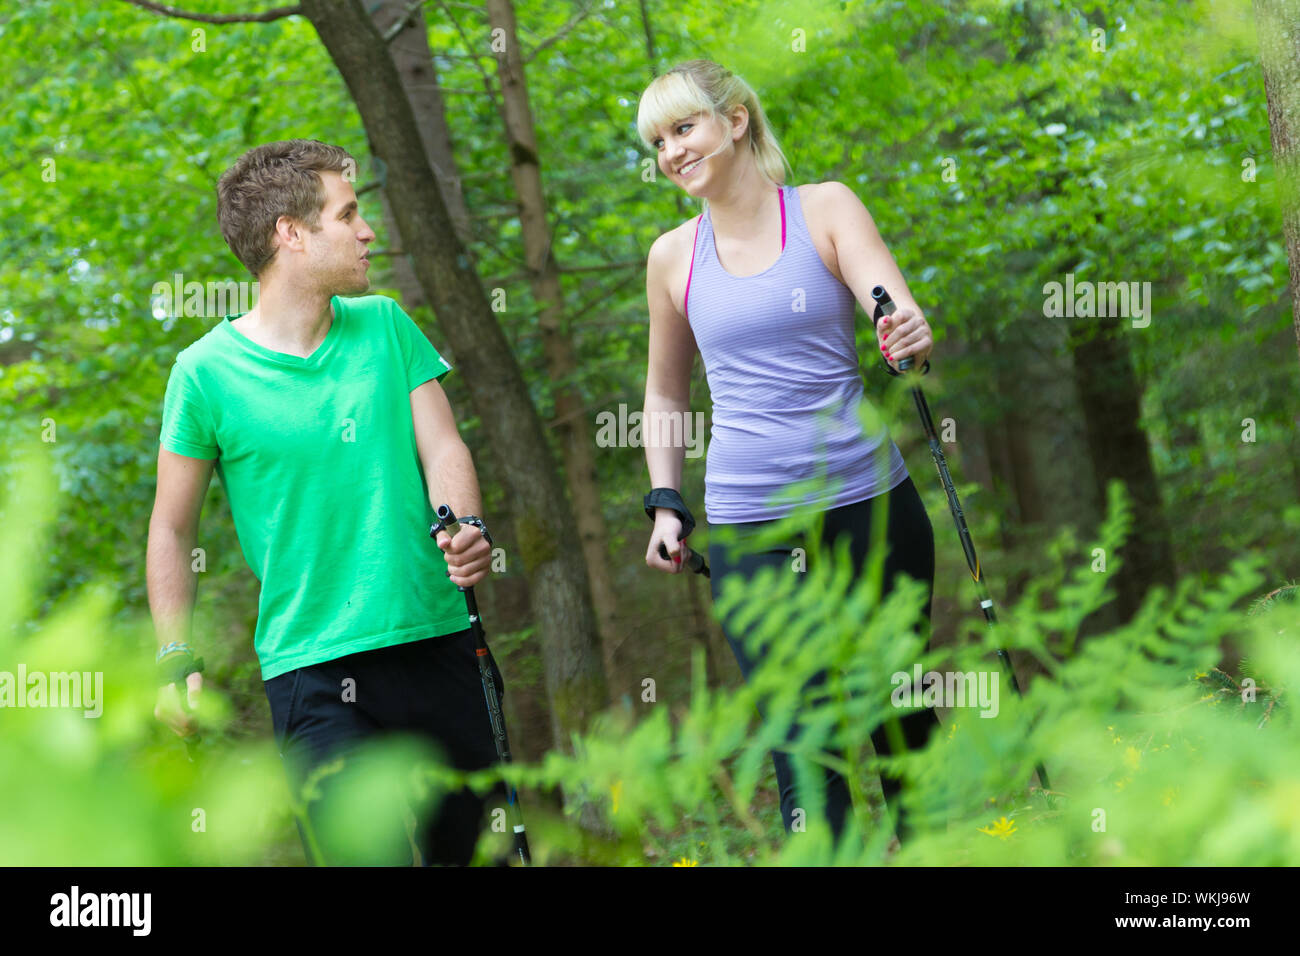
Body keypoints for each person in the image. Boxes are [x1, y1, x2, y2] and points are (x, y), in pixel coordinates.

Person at [147, 139, 501, 865]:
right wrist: (173, 657)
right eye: (349, 214)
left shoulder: (386, 326)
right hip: (312, 672)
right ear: (291, 234)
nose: (367, 230)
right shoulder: (204, 376)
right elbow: (171, 528)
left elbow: (442, 447)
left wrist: (466, 526)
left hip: (436, 640)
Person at [638, 60, 943, 848]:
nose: (671, 152)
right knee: (800, 736)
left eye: (684, 128)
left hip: (868, 502)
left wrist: (905, 331)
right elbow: (667, 394)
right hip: (751, 524)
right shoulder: (672, 256)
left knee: (900, 710)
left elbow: (894, 307)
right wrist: (665, 501)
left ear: (735, 120)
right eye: (658, 141)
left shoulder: (824, 209)